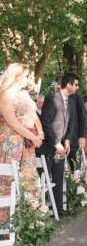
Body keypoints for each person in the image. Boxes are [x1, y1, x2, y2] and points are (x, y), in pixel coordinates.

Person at [0, 64, 43, 224]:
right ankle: (6, 225)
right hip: (11, 143)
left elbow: (34, 115)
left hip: (27, 143)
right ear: (17, 76)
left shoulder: (23, 94)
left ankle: (30, 221)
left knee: (28, 178)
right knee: (9, 180)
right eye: (26, 76)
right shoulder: (4, 94)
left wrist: (39, 133)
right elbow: (12, 122)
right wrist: (34, 137)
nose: (28, 79)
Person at [37, 72, 80, 217]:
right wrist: (56, 143)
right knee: (42, 180)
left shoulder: (70, 100)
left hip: (62, 146)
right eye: (76, 85)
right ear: (68, 85)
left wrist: (66, 140)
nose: (77, 88)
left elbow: (68, 122)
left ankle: (59, 210)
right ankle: (38, 214)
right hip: (47, 147)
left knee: (58, 177)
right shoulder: (51, 99)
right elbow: (46, 122)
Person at [66, 90, 87, 166]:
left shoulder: (76, 95)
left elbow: (82, 116)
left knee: (75, 166)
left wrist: (82, 136)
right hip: (60, 139)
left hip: (75, 137)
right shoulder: (54, 97)